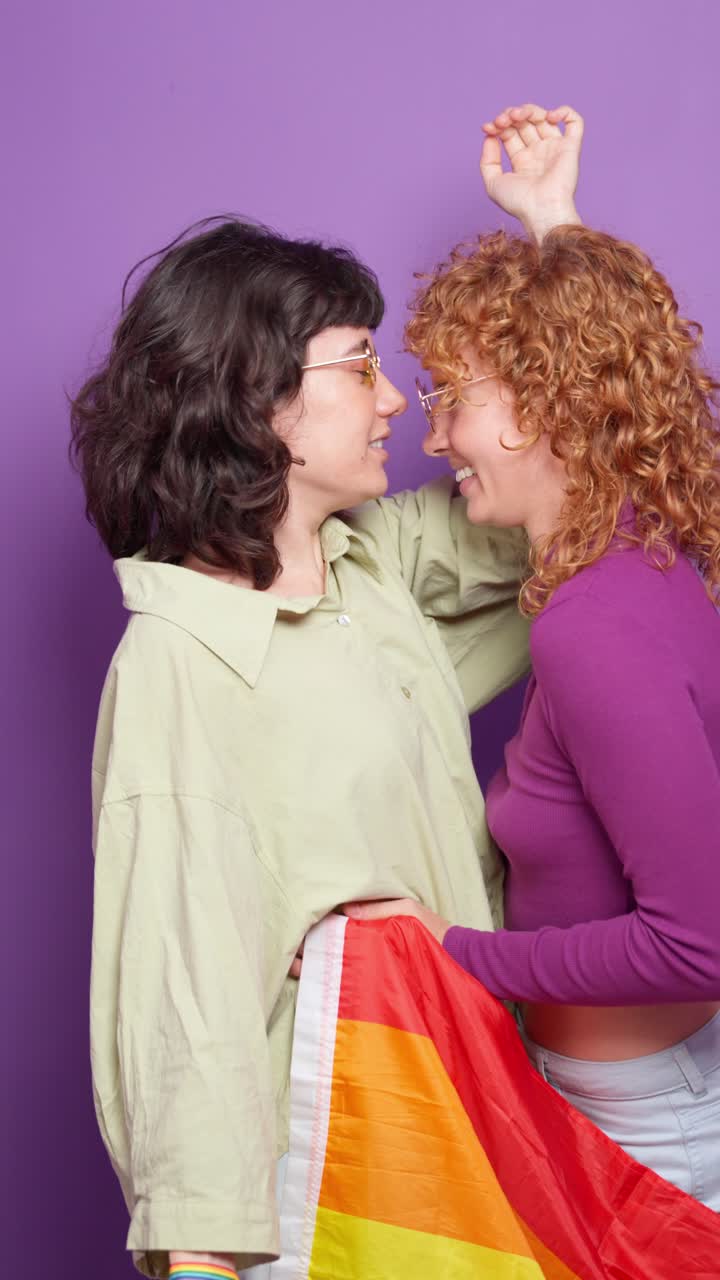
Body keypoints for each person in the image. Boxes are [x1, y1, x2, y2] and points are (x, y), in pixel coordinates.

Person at [71, 108, 583, 1277]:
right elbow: (178, 987)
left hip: (485, 1130)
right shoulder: (182, 659)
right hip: (334, 1184)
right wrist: (201, 1259)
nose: (397, 397)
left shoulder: (379, 569)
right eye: (358, 366)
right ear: (261, 403)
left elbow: (574, 491)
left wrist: (555, 232)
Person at [347, 209, 720, 1210]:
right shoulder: (654, 548)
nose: (434, 435)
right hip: (643, 1097)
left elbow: (700, 938)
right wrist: (554, 226)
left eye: (454, 398)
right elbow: (610, 356)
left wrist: (453, 952)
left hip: (645, 1124)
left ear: (541, 400)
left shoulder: (591, 624)